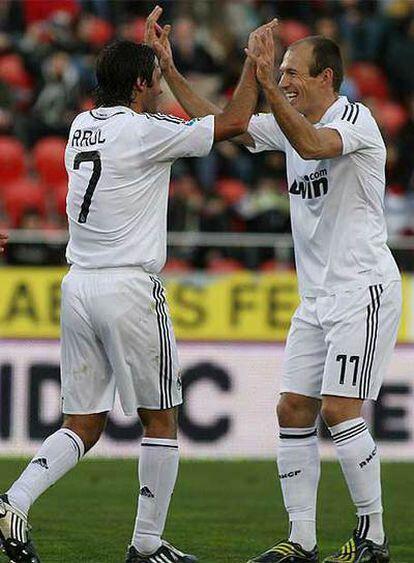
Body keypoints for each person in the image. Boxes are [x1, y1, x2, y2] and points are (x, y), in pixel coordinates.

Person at [0, 8, 269, 562]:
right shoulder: (146, 131)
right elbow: (236, 123)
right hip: (127, 287)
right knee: (162, 416)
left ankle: (12, 503)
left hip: (78, 285)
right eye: (152, 80)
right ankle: (146, 546)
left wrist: (158, 67)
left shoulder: (81, 126)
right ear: (143, 84)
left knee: (83, 422)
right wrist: (250, 64)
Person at [150, 16, 401, 563]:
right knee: (292, 409)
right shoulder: (288, 122)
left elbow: (312, 147)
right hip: (315, 300)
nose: (284, 80)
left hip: (362, 289)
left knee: (339, 410)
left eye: (292, 72)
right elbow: (220, 123)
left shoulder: (352, 118)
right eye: (281, 72)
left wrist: (266, 86)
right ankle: (303, 540)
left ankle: (373, 539)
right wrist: (170, 69)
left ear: (326, 77)